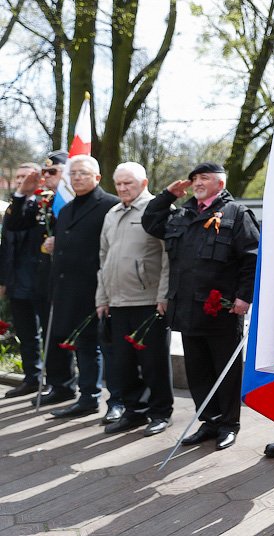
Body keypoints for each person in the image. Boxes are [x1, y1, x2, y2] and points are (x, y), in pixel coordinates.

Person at [142, 162, 259, 451]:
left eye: (204, 178)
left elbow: (252, 257)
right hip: (187, 308)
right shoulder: (182, 213)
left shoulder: (236, 214)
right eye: (194, 179)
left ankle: (229, 424)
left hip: (222, 309)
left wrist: (245, 297)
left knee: (225, 371)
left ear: (220, 183)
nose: (196, 183)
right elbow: (151, 222)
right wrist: (168, 195)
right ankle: (209, 420)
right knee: (198, 370)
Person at [96, 162, 173, 436]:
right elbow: (104, 258)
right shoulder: (112, 213)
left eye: (128, 183)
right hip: (117, 301)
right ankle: (134, 411)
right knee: (123, 364)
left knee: (153, 363)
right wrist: (101, 297)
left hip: (148, 301)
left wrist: (163, 295)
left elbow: (168, 258)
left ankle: (161, 413)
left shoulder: (158, 211)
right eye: (118, 184)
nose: (122, 188)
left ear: (144, 182)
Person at [46, 155, 120, 419]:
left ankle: (117, 403)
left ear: (97, 177)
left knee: (109, 349)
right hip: (69, 291)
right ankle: (88, 397)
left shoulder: (111, 205)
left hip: (100, 289)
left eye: (83, 173)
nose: (77, 178)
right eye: (73, 174)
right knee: (84, 347)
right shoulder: (65, 210)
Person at [0, 162, 47, 397]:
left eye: (25, 176)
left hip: (41, 280)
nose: (21, 181)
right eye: (17, 177)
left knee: (49, 332)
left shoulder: (45, 204)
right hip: (17, 281)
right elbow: (6, 246)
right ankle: (32, 377)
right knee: (26, 333)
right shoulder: (14, 207)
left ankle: (58, 382)